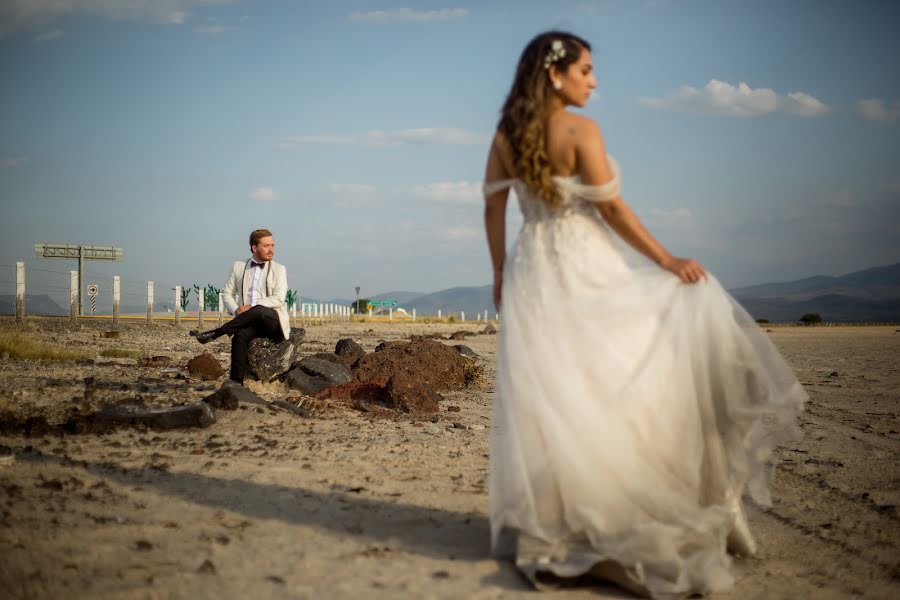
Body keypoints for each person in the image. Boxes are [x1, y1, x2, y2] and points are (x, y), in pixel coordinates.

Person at [483, 31, 807, 598]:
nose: (595, 80)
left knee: (555, 391)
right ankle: (617, 510)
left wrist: (500, 271)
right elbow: (609, 208)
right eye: (586, 69)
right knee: (618, 381)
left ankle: (561, 517)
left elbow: (493, 204)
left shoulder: (507, 132)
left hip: (534, 265)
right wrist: (666, 259)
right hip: (583, 262)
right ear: (555, 74)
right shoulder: (581, 130)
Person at [190, 229, 290, 384]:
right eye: (266, 246)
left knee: (258, 309)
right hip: (249, 321)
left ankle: (217, 333)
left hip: (272, 321)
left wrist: (251, 306)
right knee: (240, 336)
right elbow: (227, 294)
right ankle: (236, 382)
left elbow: (279, 299)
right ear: (254, 248)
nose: (271, 250)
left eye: (273, 245)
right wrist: (236, 309)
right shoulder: (238, 267)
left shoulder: (279, 269)